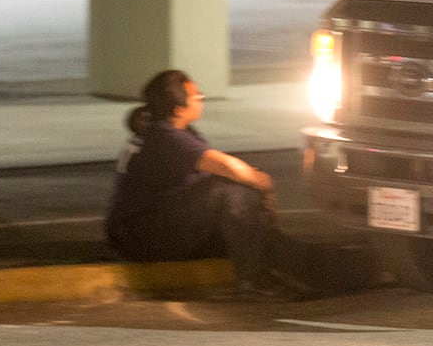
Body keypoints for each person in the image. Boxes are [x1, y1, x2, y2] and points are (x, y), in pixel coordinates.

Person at [104, 70, 303, 299]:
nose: (201, 98)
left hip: (146, 227)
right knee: (226, 190)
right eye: (197, 96)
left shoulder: (164, 129)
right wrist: (262, 181)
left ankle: (268, 260)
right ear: (179, 109)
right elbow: (226, 166)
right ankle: (253, 277)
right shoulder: (167, 138)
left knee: (234, 196)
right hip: (140, 238)